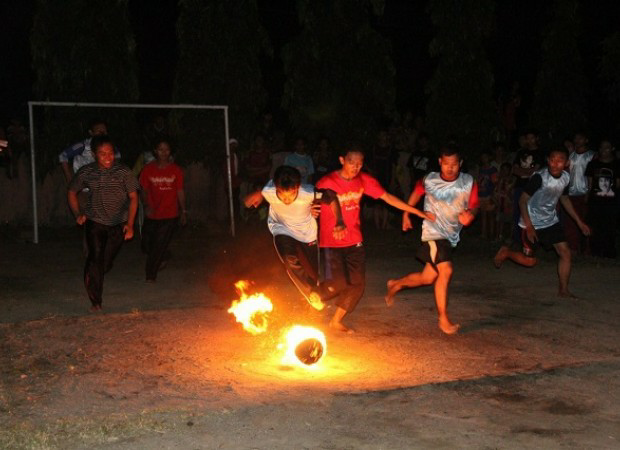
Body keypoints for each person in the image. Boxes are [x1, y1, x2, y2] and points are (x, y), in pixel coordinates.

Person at [316, 145, 435, 333]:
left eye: (360, 163)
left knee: (357, 285)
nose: (355, 167)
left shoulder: (364, 180)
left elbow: (388, 198)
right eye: (351, 162)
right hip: (330, 242)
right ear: (341, 160)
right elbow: (311, 205)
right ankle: (313, 295)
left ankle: (336, 321)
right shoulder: (327, 182)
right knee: (337, 284)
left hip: (354, 240)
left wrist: (415, 211)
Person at [385, 144, 478, 335]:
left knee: (427, 278)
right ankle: (443, 318)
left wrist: (470, 214)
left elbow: (475, 205)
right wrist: (406, 214)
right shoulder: (429, 179)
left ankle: (396, 284)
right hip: (433, 232)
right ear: (439, 163)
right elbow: (416, 194)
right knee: (446, 270)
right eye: (446, 164)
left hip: (451, 235)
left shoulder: (468, 181)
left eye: (454, 164)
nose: (450, 167)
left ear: (460, 163)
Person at [244, 165, 346, 310]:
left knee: (313, 276)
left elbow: (331, 196)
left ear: (298, 187)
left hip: (307, 234)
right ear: (276, 187)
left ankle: (312, 297)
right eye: (282, 194)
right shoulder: (268, 190)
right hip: (282, 230)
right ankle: (311, 293)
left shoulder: (308, 192)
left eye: (291, 194)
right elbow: (247, 202)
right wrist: (257, 194)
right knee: (289, 259)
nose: (286, 199)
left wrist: (339, 220)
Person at [493, 147, 591, 298]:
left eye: (560, 161)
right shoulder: (540, 177)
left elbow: (564, 199)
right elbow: (522, 201)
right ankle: (507, 252)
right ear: (548, 160)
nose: (555, 164)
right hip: (530, 221)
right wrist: (530, 226)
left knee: (565, 253)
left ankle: (563, 290)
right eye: (552, 160)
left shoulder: (566, 177)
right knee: (530, 262)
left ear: (566, 163)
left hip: (550, 221)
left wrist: (579, 222)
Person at [67, 135, 139, 312]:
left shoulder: (123, 172)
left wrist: (130, 224)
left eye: (110, 153)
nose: (108, 157)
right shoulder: (86, 172)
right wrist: (78, 214)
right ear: (94, 154)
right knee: (95, 259)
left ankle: (95, 271)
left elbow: (134, 198)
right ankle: (96, 300)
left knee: (104, 263)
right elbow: (71, 192)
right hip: (95, 222)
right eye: (102, 154)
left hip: (117, 224)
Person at [139, 138, 186, 282]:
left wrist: (183, 211)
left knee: (158, 244)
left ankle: (150, 275)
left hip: (170, 214)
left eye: (167, 149)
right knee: (146, 244)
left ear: (170, 151)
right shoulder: (148, 169)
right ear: (155, 151)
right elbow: (144, 190)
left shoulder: (176, 170)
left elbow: (180, 191)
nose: (164, 152)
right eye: (161, 149)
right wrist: (146, 206)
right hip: (152, 213)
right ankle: (165, 255)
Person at [585, 139, 620, 258]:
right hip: (595, 201)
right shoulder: (593, 164)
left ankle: (609, 251)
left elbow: (618, 184)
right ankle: (595, 251)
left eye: (607, 147)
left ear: (612, 149)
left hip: (612, 202)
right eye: (601, 147)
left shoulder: (617, 164)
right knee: (595, 226)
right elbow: (590, 184)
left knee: (610, 226)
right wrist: (587, 197)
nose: (604, 150)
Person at [59, 119, 120, 184]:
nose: (102, 133)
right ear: (91, 132)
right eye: (99, 131)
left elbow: (118, 156)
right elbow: (63, 155)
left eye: (104, 131)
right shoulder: (83, 145)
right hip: (83, 184)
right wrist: (69, 179)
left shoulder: (110, 146)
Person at [563, 131, 595, 255]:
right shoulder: (570, 156)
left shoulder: (592, 155)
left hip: (585, 193)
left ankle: (587, 248)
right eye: (575, 138)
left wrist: (589, 193)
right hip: (571, 194)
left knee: (586, 220)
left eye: (580, 138)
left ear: (586, 140)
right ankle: (573, 247)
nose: (577, 140)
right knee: (571, 222)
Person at [476, 152, 498, 239]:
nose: (484, 159)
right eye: (482, 157)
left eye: (485, 157)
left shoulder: (493, 170)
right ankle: (484, 233)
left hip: (489, 195)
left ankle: (492, 233)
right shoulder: (481, 169)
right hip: (481, 194)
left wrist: (493, 194)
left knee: (491, 215)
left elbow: (495, 182)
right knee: (483, 215)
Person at [494, 162, 515, 242]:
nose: (504, 172)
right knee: (500, 221)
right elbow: (496, 191)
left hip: (509, 204)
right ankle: (499, 236)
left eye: (506, 170)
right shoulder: (499, 180)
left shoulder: (513, 180)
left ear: (510, 171)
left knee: (511, 222)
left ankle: (510, 237)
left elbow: (511, 192)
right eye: (503, 170)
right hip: (501, 204)